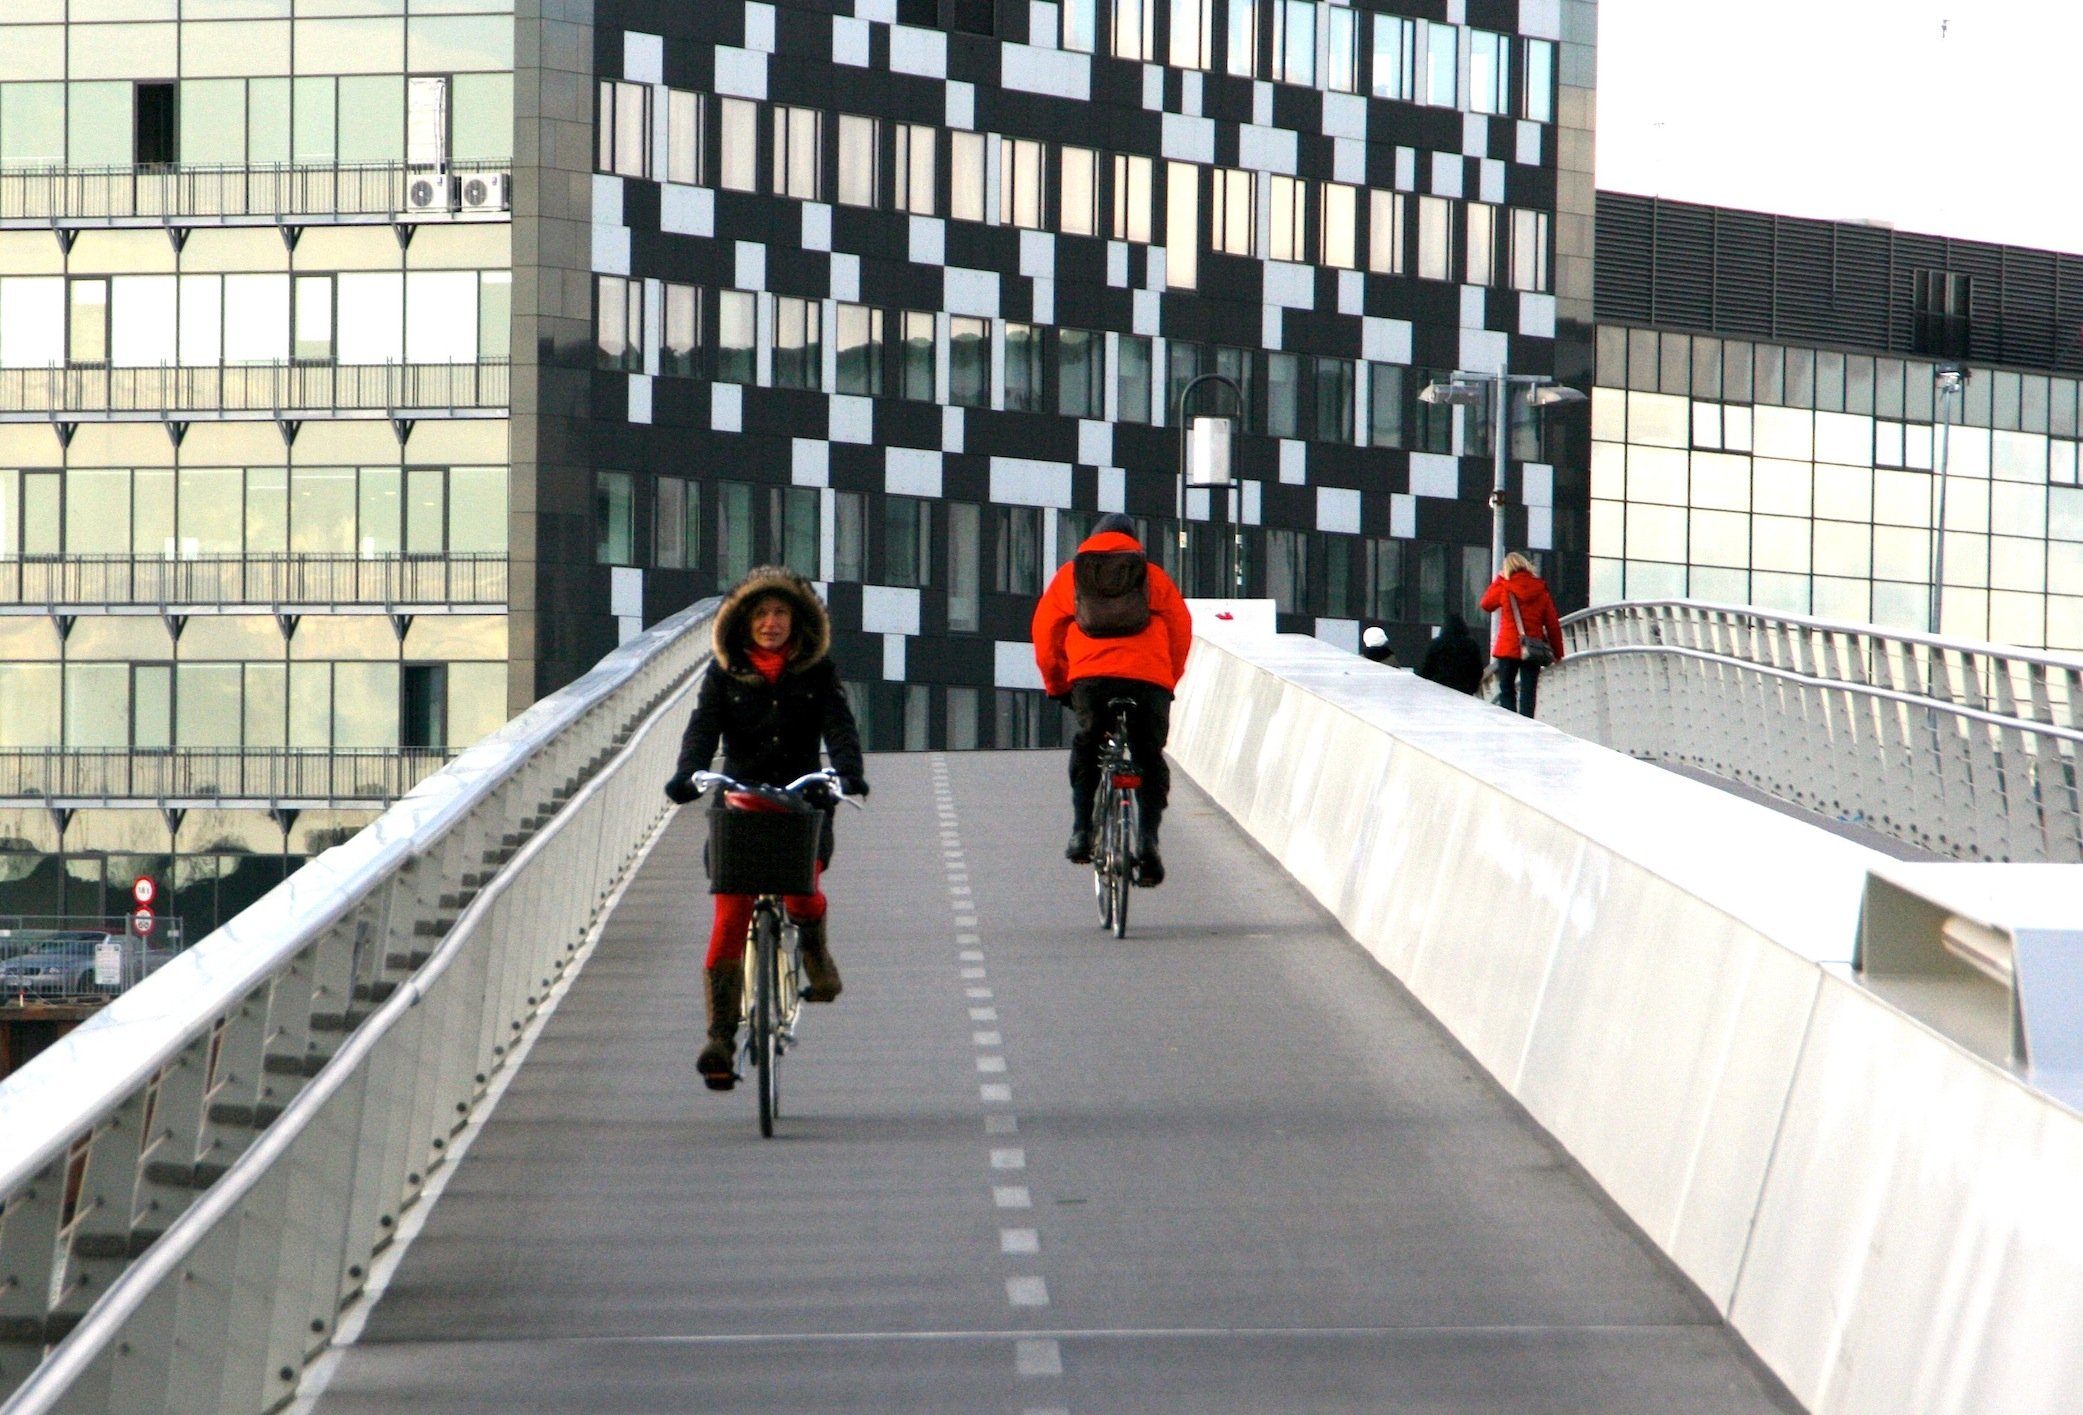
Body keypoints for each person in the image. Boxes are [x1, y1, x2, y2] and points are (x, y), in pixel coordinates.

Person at [664, 566, 867, 1091]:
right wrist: (687, 773)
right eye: (760, 615)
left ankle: (816, 952)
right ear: (743, 624)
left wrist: (849, 771)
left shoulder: (816, 672)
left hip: (802, 797)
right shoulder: (723, 674)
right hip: (741, 800)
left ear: (796, 622)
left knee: (802, 894)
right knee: (731, 913)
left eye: (779, 613)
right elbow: (703, 727)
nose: (771, 623)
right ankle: (720, 1038)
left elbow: (839, 725)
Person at [1031, 513, 1193, 886]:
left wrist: (1058, 685)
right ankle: (1148, 843)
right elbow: (1181, 631)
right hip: (1147, 682)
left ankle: (1082, 832)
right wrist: (1166, 680)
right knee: (1148, 757)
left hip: (1091, 679)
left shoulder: (1070, 577)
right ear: (1132, 543)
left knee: (1088, 745)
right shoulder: (1152, 577)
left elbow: (1045, 636)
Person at [1478, 551, 1564, 717]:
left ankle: (1510, 722)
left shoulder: (1504, 586)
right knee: (1529, 692)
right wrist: (1558, 653)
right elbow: (1552, 624)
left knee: (1507, 688)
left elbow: (1486, 604)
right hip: (1533, 648)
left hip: (1508, 647)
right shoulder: (1540, 589)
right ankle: (1526, 723)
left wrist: (1500, 579)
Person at [1416, 613, 1485, 695]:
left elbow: (1426, 669)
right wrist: (1473, 687)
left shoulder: (1436, 644)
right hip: (1464, 690)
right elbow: (1478, 669)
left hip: (1439, 689)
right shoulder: (1471, 644)